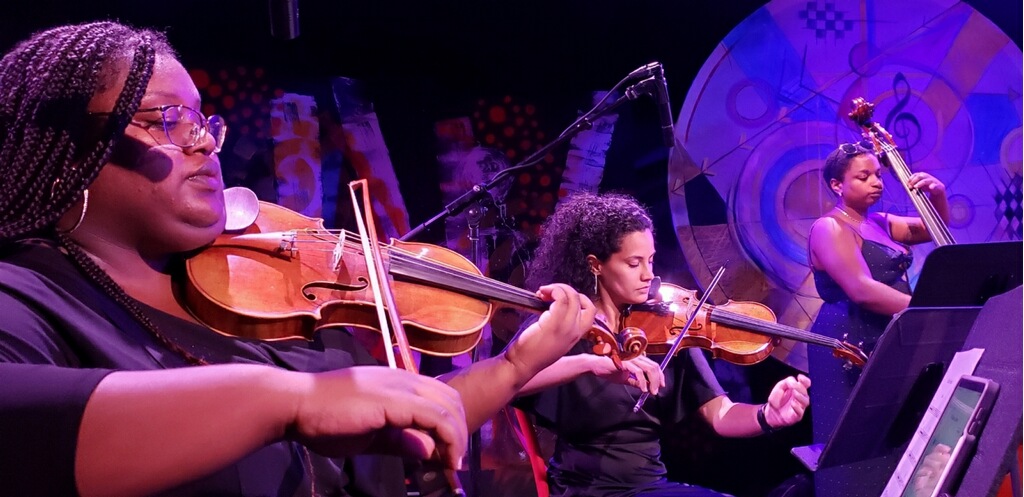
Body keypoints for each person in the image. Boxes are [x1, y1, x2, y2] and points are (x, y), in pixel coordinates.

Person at [0, 21, 597, 497]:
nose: (205, 141)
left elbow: (405, 424)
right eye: (168, 120)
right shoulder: (26, 295)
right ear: (67, 146)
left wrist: (516, 366)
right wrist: (284, 400)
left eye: (204, 120)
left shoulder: (248, 302)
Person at [504, 192, 812, 497]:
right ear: (595, 265)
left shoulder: (667, 327)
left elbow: (721, 415)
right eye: (633, 263)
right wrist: (591, 363)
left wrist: (767, 416)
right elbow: (509, 380)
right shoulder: (564, 324)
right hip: (584, 489)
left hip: (650, 486)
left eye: (650, 260)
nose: (648, 275)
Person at [806, 141, 948, 443]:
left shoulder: (880, 223)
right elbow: (862, 290)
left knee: (894, 438)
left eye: (878, 175)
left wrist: (937, 195)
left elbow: (935, 228)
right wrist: (927, 307)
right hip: (848, 344)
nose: (876, 182)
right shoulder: (829, 227)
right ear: (837, 185)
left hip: (885, 335)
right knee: (856, 442)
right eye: (863, 176)